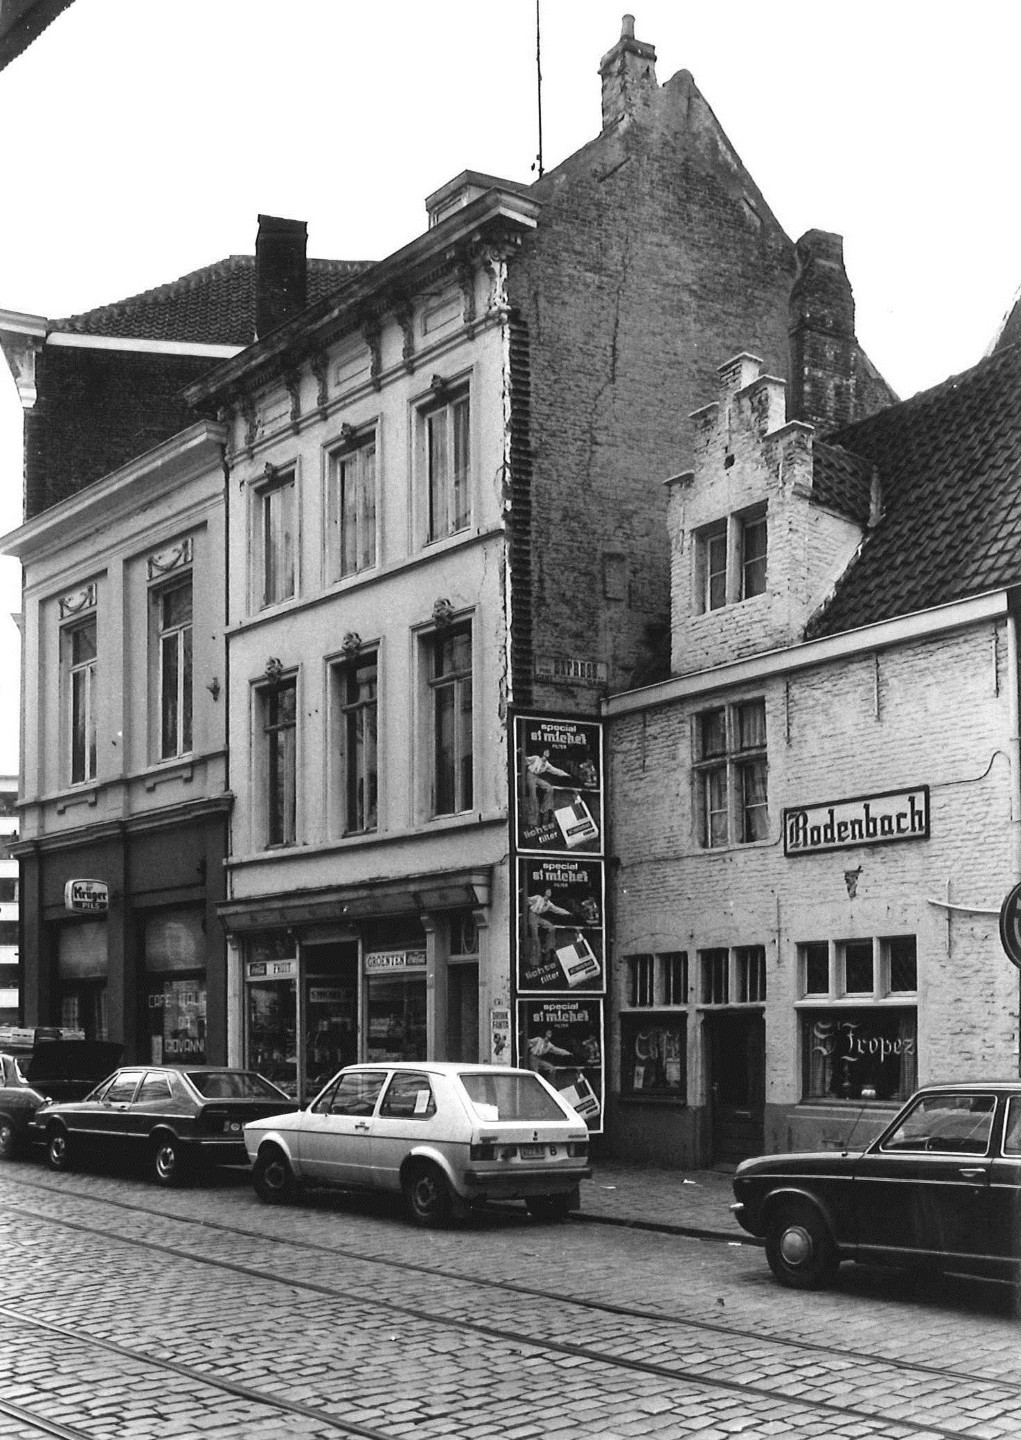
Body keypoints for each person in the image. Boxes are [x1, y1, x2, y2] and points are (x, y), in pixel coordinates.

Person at [523, 748, 572, 825]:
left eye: (548, 752)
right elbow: (525, 760)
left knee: (549, 788)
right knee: (533, 798)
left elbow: (555, 770)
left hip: (536, 777)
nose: (547, 753)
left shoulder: (547, 764)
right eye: (546, 751)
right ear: (542, 752)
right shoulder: (536, 758)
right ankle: (532, 822)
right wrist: (521, 752)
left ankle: (545, 808)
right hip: (530, 775)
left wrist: (566, 774)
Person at [526, 887, 574, 959]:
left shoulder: (549, 904)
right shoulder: (538, 897)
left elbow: (557, 910)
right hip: (532, 915)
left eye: (550, 891)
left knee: (552, 928)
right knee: (535, 937)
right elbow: (528, 899)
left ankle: (547, 948)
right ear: (545, 892)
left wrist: (568, 913)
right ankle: (536, 956)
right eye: (548, 891)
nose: (549, 892)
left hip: (538, 917)